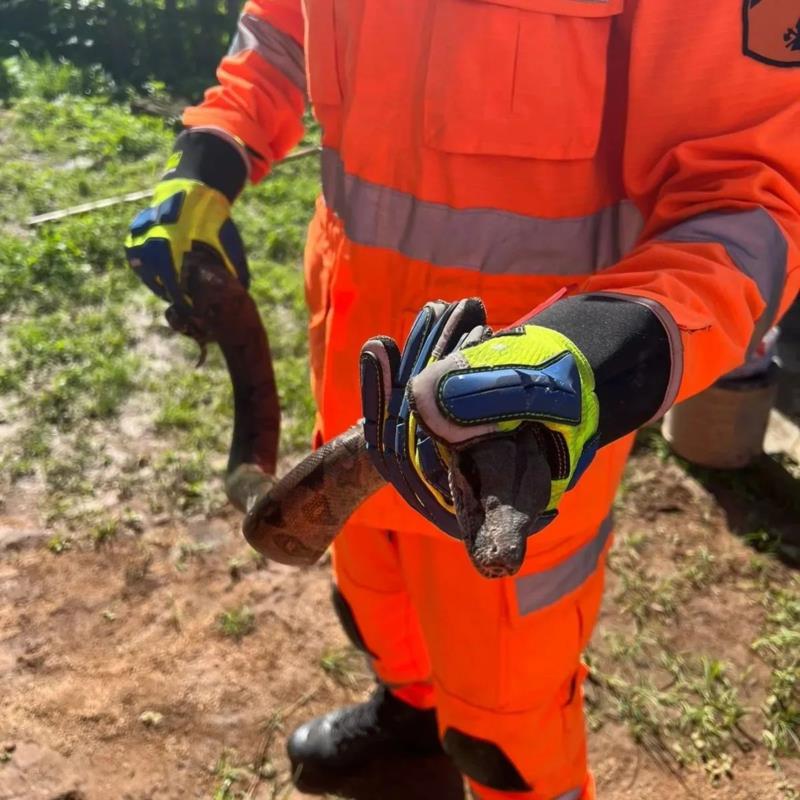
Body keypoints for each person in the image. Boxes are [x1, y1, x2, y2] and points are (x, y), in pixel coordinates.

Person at [125, 2, 800, 798]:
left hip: (520, 434)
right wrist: (214, 148)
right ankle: (411, 725)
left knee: (506, 726)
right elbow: (282, 26)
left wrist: (600, 353)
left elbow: (748, 206)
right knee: (375, 596)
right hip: (353, 373)